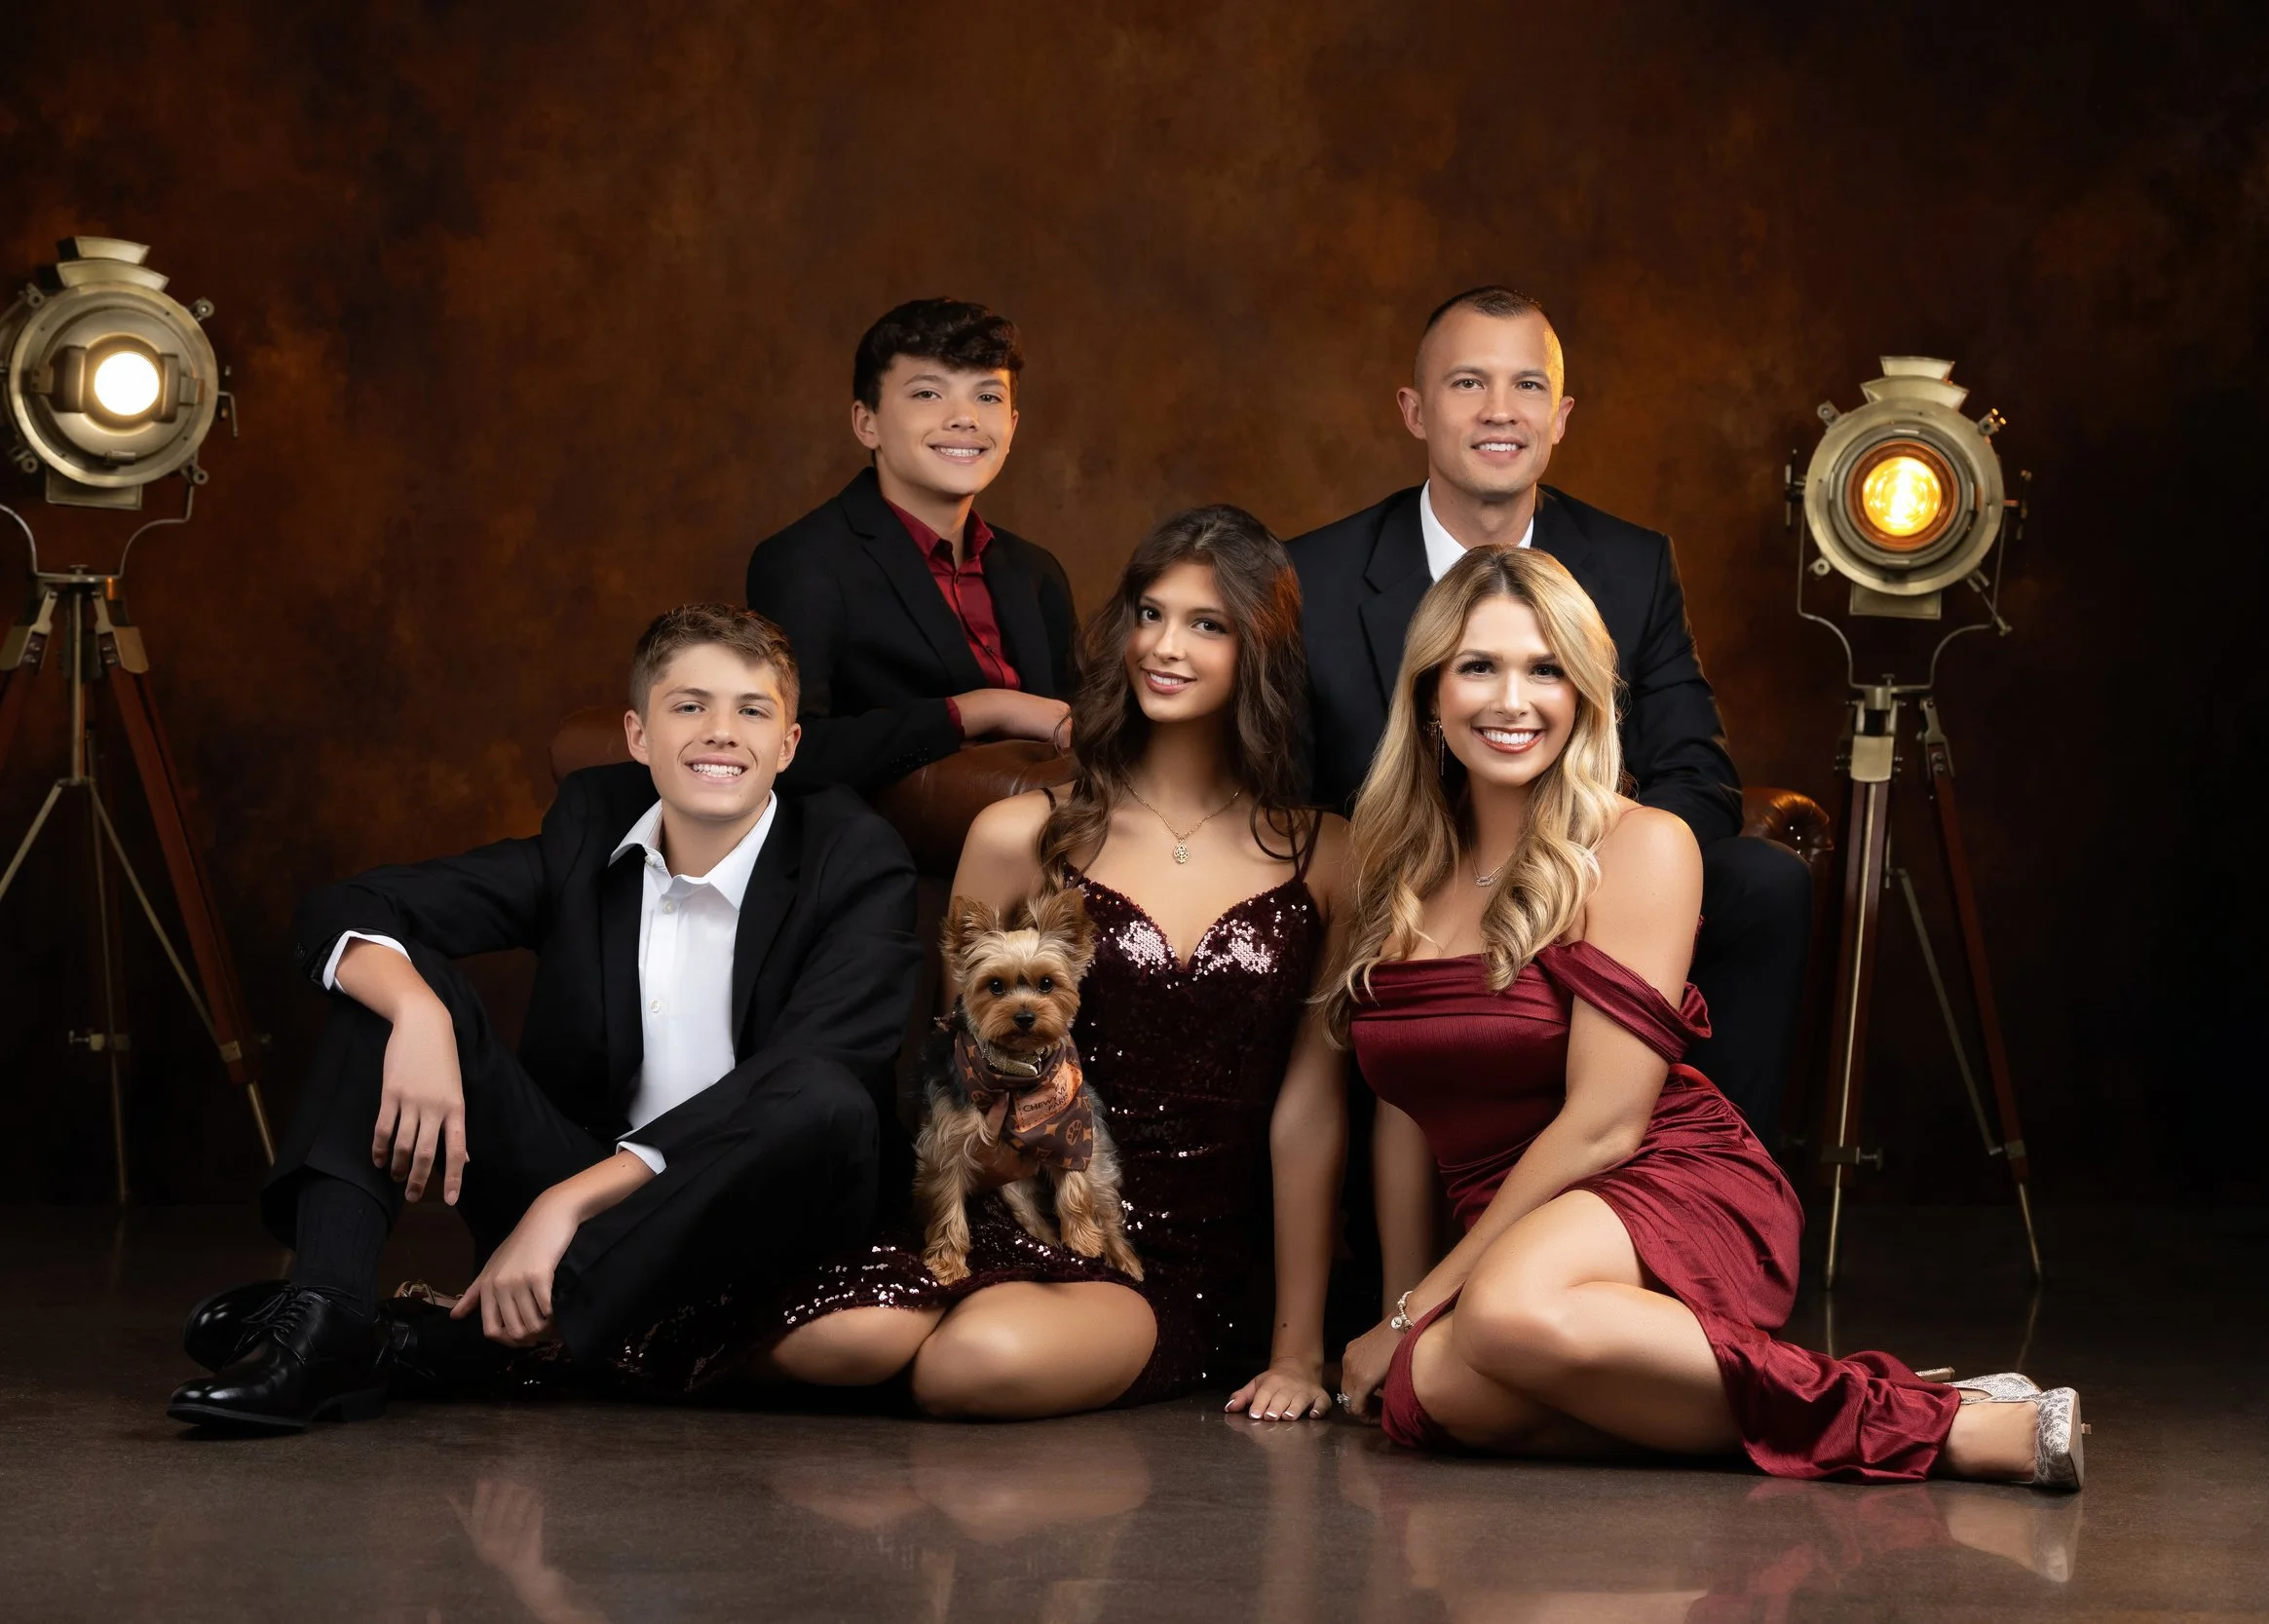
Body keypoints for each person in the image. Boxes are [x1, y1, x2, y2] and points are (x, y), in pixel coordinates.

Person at [1278, 545, 2083, 1488]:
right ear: (1429, 694)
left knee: (1501, 1312)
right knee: (1436, 1388)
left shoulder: (1641, 844)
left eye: (1546, 670)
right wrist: (1402, 1322)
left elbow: (1605, 1123)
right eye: (1479, 666)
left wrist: (1415, 1308)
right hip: (1511, 1235)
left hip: (1660, 1181)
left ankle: (1943, 1428)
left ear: (1584, 695)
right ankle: (1835, 1397)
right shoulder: (1397, 870)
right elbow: (1407, 1108)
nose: (1513, 700)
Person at [618, 507, 1352, 1421]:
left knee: (976, 1359)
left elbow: (1310, 1112)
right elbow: (949, 1078)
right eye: (1149, 613)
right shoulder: (1019, 834)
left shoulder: (1325, 855)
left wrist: (1298, 1351)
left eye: (1208, 623)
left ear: (1261, 649)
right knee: (848, 1337)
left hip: (1173, 1256)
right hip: (1000, 1208)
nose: (1165, 646)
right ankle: (607, 1336)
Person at [168, 606, 920, 1430]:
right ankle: (327, 1317)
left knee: (821, 1096)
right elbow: (349, 905)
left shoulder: (852, 853)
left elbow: (820, 1068)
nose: (721, 731)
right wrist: (417, 1010)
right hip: (575, 1191)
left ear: (789, 744)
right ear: (638, 734)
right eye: (689, 705)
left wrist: (566, 1204)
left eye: (752, 709)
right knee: (389, 981)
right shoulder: (590, 827)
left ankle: (444, 1345)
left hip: (756, 1217)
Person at [1290, 286, 1809, 1143]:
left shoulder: (1633, 565)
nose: (1501, 410)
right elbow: (1284, 794)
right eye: (1468, 383)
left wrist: (1569, 881)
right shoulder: (1312, 576)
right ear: (1414, 410)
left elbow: (1699, 778)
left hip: (1582, 886)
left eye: (1527, 385)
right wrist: (1443, 890)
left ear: (1560, 417)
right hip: (1399, 905)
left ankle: (1718, 1172)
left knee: (1765, 883)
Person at [746, 297, 1078, 793]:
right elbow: (788, 752)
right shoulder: (805, 562)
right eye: (928, 393)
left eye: (988, 397)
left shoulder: (1035, 570)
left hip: (1056, 824)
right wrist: (982, 709)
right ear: (867, 423)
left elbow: (1081, 727)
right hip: (894, 837)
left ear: (1012, 426)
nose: (965, 418)